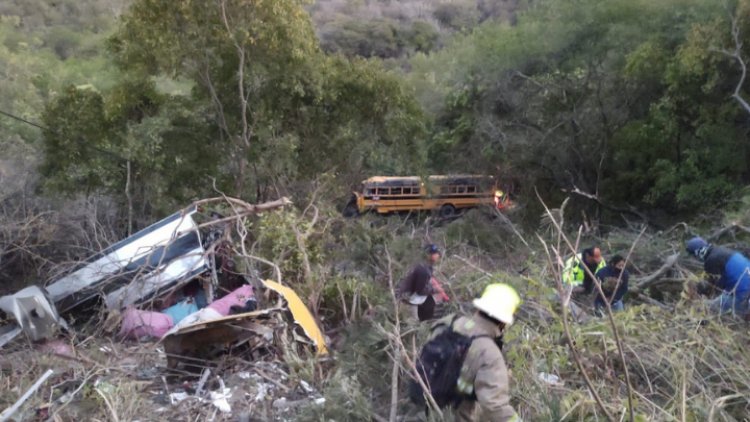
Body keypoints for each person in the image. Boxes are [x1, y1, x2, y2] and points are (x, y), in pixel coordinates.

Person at [414, 283, 521, 421]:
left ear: (478, 308)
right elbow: (495, 406)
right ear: (503, 323)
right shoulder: (490, 354)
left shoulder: (448, 323)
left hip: (418, 411)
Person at [686, 236, 750, 316]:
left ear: (697, 252)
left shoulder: (711, 261)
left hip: (745, 297)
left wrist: (698, 291)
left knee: (708, 307)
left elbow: (715, 288)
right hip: (745, 291)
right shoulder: (723, 251)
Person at [396, 244, 449, 321]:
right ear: (429, 255)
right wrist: (436, 290)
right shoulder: (423, 270)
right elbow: (420, 290)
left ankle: (426, 318)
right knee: (416, 320)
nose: (438, 256)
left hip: (411, 293)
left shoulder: (424, 266)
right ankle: (420, 321)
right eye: (435, 254)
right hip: (407, 297)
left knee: (431, 302)